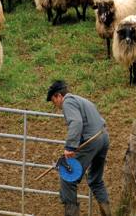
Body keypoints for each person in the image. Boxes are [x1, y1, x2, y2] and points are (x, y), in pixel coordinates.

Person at [47, 80, 111, 216]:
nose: (56, 105)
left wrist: (70, 147)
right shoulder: (82, 100)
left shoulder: (68, 102)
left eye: (54, 101)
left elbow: (76, 122)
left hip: (92, 140)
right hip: (103, 137)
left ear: (58, 96)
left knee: (67, 179)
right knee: (95, 179)